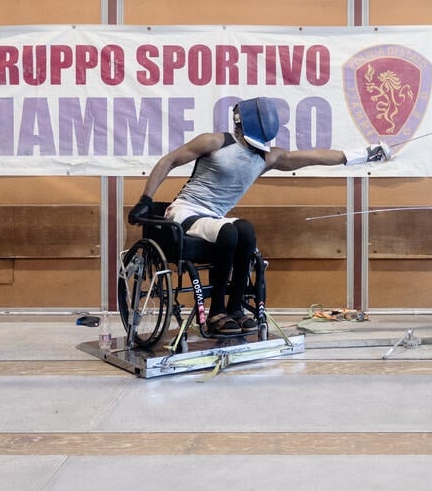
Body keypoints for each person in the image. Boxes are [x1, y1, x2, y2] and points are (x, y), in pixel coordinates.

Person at [128, 96, 389, 336]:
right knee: (229, 231)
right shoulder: (215, 141)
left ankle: (236, 309)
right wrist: (146, 199)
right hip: (185, 211)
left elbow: (314, 157)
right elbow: (169, 161)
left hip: (214, 218)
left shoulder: (268, 157)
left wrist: (364, 155)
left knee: (246, 230)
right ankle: (215, 311)